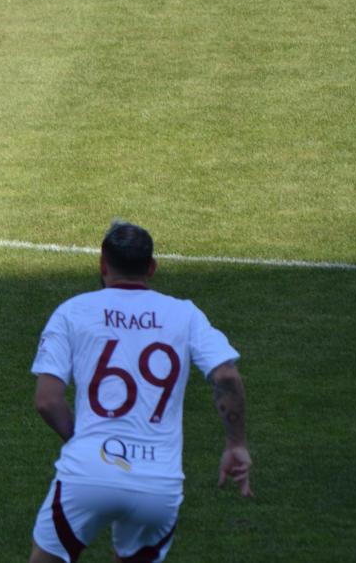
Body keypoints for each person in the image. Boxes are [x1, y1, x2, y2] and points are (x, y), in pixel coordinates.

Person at [29, 220, 253, 562]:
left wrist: (83, 443)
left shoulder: (72, 311)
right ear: (152, 268)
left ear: (103, 265)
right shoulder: (185, 314)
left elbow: (47, 400)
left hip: (87, 474)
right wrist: (236, 444)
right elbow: (227, 375)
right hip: (157, 482)